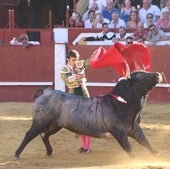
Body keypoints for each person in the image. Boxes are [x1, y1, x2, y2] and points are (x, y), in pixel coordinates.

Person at [60, 49, 91, 154]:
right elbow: (67, 79)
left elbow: (88, 62)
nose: (75, 62)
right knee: (78, 124)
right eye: (73, 60)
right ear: (68, 59)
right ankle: (84, 146)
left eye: (76, 60)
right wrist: (77, 76)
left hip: (84, 96)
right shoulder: (64, 69)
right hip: (73, 98)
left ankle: (87, 147)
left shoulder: (79, 64)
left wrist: (95, 54)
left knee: (86, 123)